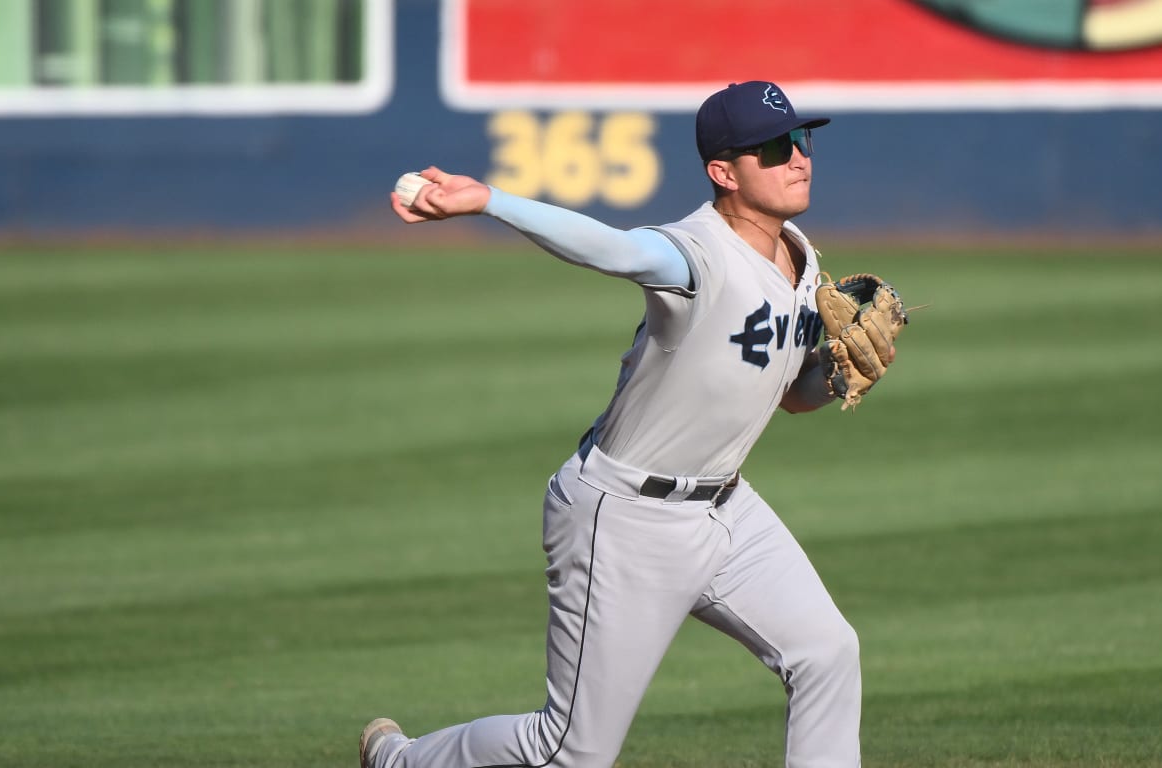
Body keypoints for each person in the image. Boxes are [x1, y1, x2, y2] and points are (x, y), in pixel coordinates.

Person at [365, 80, 885, 768]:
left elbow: (789, 394)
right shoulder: (694, 255)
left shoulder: (802, 256)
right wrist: (489, 200)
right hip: (625, 518)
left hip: (728, 512)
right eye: (773, 148)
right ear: (723, 172)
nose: (797, 157)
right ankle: (400, 761)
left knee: (826, 653)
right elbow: (612, 248)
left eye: (800, 139)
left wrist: (839, 377)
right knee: (569, 752)